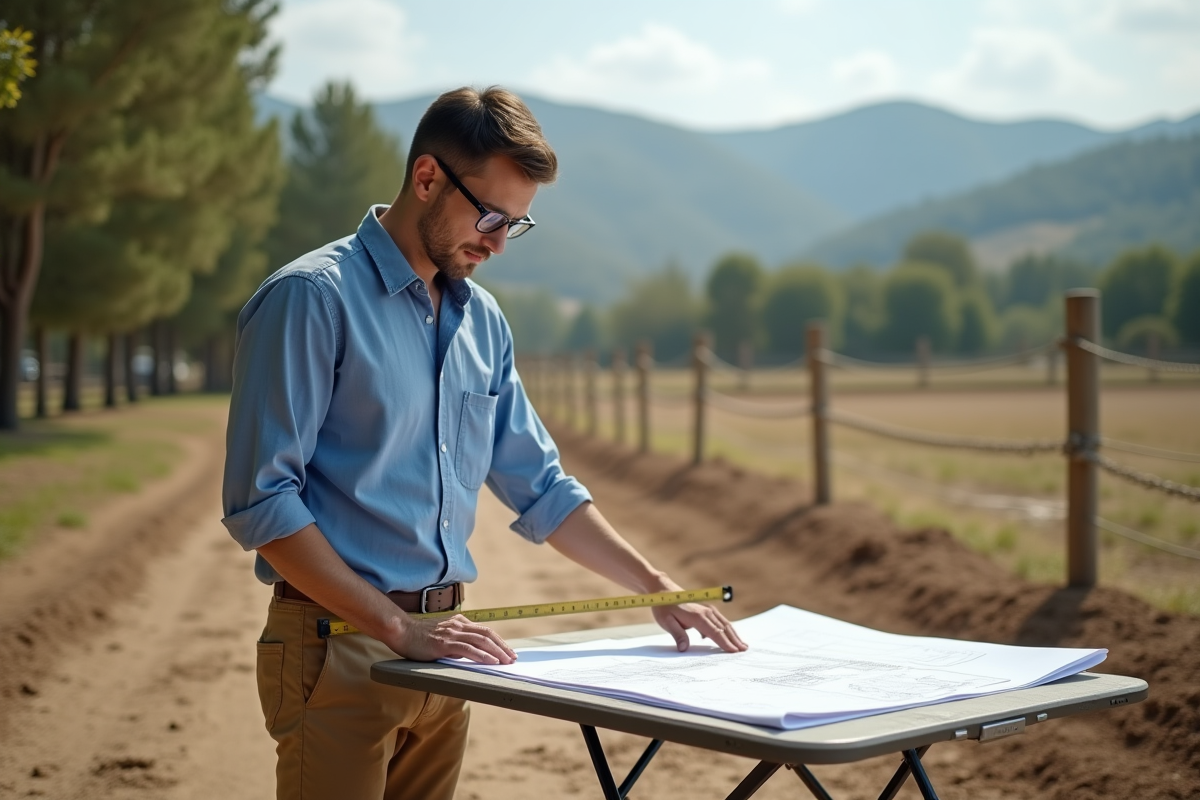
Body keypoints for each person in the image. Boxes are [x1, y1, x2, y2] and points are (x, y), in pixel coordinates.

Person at [221, 85, 747, 800]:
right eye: (491, 216)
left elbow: (542, 487)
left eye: (515, 225)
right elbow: (263, 503)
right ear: (427, 178)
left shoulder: (483, 322)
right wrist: (395, 628)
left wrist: (657, 587)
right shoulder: (311, 298)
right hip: (336, 645)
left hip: (448, 646)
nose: (498, 243)